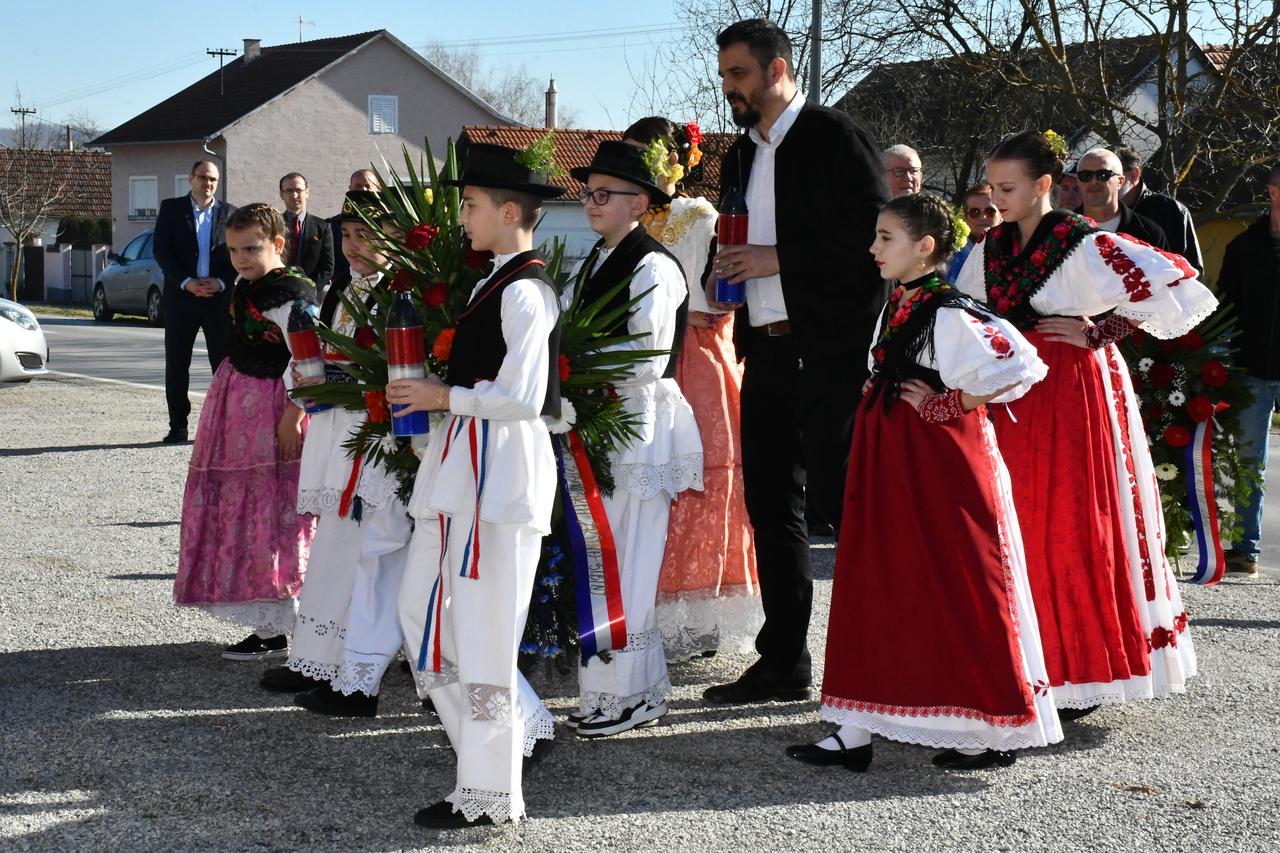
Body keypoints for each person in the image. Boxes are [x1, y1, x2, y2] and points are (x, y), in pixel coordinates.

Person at [788, 193, 1059, 773]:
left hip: (939, 465)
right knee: (879, 578)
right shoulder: (902, 304)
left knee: (958, 580)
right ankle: (857, 727)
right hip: (891, 459)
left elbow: (1022, 361)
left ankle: (985, 728)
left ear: (925, 246)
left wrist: (951, 402)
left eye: (885, 238)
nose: (873, 247)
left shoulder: (948, 309)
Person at [957, 130, 1217, 715]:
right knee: (1015, 518)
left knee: (1072, 518)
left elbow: (1178, 288)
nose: (996, 200)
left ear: (1045, 186)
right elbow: (966, 308)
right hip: (1012, 391)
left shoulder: (1083, 243)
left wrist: (1099, 331)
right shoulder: (991, 247)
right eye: (994, 188)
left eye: (1008, 188)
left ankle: (1081, 666)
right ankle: (1023, 656)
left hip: (1072, 390)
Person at [701, 18, 888, 705]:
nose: (730, 89)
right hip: (766, 349)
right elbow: (737, 237)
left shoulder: (835, 137)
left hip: (830, 352)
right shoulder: (740, 156)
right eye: (724, 76)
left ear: (778, 68)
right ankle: (783, 660)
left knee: (846, 507)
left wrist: (778, 259)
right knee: (770, 504)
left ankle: (882, 660)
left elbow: (878, 241)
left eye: (739, 74)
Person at [390, 143, 562, 829]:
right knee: (421, 611)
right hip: (467, 463)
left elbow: (524, 394)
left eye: (470, 205)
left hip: (500, 470)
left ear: (510, 211)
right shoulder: (493, 281)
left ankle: (489, 792)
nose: (462, 216)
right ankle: (512, 731)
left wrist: (443, 394)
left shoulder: (525, 290)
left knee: (485, 632)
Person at [560, 139, 703, 737]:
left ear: (639, 202)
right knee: (601, 552)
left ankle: (631, 694)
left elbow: (644, 354)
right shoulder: (595, 257)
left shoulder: (653, 265)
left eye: (604, 193)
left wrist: (574, 365)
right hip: (596, 415)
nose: (591, 202)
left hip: (635, 421)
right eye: (588, 192)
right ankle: (612, 687)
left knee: (626, 557)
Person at [257, 190, 408, 716]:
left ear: (394, 237)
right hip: (336, 430)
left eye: (367, 234)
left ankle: (357, 668)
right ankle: (315, 656)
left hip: (371, 436)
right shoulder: (345, 291)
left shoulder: (399, 294)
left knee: (365, 552)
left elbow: (396, 369)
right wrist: (306, 376)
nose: (354, 246)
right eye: (346, 235)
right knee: (332, 547)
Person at [625, 115, 762, 661]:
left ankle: (696, 615)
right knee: (647, 478)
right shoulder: (630, 216)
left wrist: (712, 298)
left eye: (647, 155)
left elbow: (723, 293)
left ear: (677, 159)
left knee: (699, 476)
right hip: (647, 355)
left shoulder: (699, 215)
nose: (638, 167)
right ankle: (644, 605)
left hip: (696, 352)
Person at [171, 203, 316, 659]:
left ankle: (286, 625)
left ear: (277, 244)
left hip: (273, 407)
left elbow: (308, 360)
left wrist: (293, 414)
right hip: (237, 405)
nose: (240, 258)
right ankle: (267, 625)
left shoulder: (291, 294)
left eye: (251, 248)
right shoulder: (247, 284)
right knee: (244, 509)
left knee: (273, 510)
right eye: (233, 250)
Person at [1217, 162, 1280, 577]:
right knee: (1248, 461)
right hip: (1253, 366)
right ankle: (1245, 549)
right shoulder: (1245, 247)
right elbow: (1225, 308)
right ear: (1273, 192)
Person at [152, 159, 237, 443]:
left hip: (217, 300)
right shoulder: (171, 209)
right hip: (181, 299)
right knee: (177, 364)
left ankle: (224, 426)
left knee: (223, 364)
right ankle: (178, 425)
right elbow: (162, 251)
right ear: (190, 178)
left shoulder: (230, 214)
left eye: (213, 179)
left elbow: (237, 253)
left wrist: (222, 282)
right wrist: (186, 282)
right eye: (203, 177)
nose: (208, 183)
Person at [1114, 145, 1203, 272]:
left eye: (1107, 174)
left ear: (1134, 175)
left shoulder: (1170, 211)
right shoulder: (1085, 211)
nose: (1096, 182)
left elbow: (1191, 271)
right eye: (1087, 176)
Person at [1074, 149, 1168, 249]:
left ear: (1120, 182)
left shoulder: (1149, 234)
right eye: (1085, 176)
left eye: (1103, 175)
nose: (1093, 182)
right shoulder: (1060, 229)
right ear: (1078, 181)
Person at [279, 172, 334, 300]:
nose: (294, 195)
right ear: (281, 195)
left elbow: (327, 267)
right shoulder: (273, 226)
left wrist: (308, 290)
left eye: (298, 190)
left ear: (307, 193)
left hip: (310, 298)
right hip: (278, 296)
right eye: (288, 191)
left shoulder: (322, 227)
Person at [329, 169, 381, 297]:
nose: (363, 190)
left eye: (362, 235)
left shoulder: (396, 288)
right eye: (346, 235)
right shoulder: (334, 225)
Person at [948, 181, 1001, 284]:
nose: (983, 217)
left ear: (1001, 215)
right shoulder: (950, 255)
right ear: (964, 216)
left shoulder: (1017, 250)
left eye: (990, 211)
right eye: (974, 212)